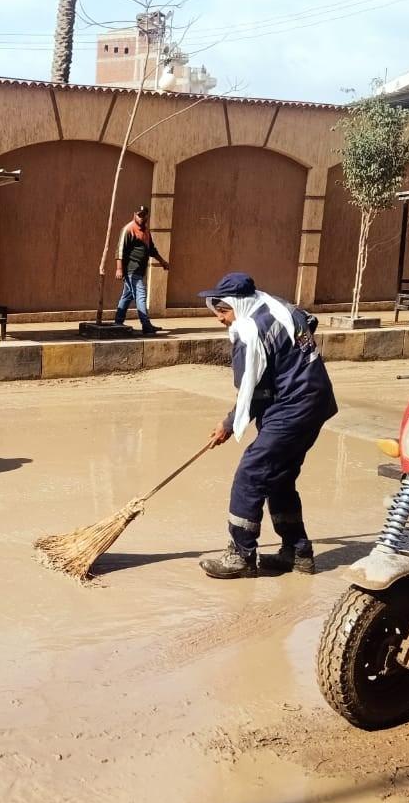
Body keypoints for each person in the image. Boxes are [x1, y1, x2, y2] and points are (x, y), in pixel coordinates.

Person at [199, 272, 337, 579]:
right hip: (315, 401)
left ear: (239, 304)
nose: (221, 319)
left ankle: (240, 555)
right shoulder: (279, 306)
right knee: (279, 477)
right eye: (218, 311)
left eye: (224, 311)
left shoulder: (250, 331)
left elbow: (255, 392)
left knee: (251, 473)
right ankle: (298, 553)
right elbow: (308, 325)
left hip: (293, 407)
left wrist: (229, 424)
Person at [114, 205, 168, 336]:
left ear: (147, 216)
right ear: (134, 215)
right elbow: (119, 251)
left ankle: (118, 322)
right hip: (131, 270)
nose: (142, 218)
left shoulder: (146, 232)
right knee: (141, 295)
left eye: (144, 215)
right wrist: (119, 269)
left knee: (127, 296)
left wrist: (162, 261)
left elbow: (151, 250)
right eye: (139, 215)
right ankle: (146, 324)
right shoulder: (128, 229)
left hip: (140, 270)